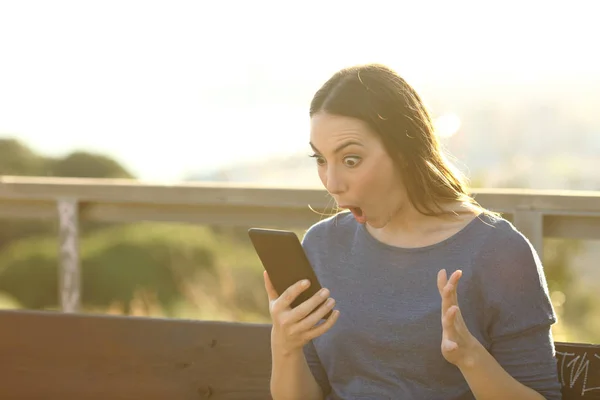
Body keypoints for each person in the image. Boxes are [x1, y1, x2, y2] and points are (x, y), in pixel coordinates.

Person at [263, 63, 561, 400]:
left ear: (405, 153)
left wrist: (471, 358)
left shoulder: (500, 251)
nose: (332, 184)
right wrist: (284, 345)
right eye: (319, 159)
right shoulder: (321, 245)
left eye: (350, 160)